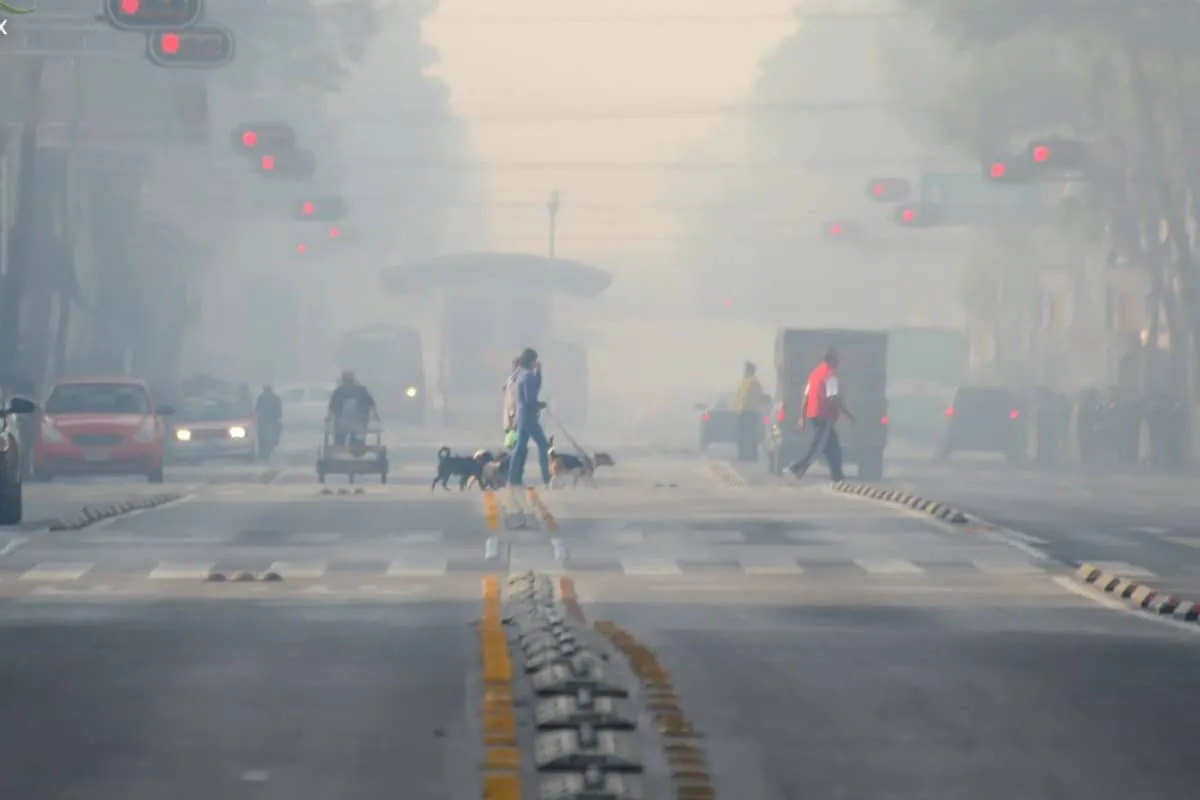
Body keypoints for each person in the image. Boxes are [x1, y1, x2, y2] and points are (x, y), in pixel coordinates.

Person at [786, 346, 855, 481]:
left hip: (814, 414)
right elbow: (833, 398)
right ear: (831, 359)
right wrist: (848, 414)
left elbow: (806, 397)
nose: (839, 361)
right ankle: (796, 469)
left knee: (833, 446)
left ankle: (837, 475)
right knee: (817, 447)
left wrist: (802, 417)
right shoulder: (830, 375)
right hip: (824, 416)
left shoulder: (814, 374)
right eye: (837, 358)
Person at [507, 348, 552, 488]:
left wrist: (538, 372)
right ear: (531, 361)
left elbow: (535, 387)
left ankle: (513, 478)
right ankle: (546, 477)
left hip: (524, 416)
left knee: (521, 447)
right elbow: (530, 398)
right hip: (529, 417)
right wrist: (539, 405)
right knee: (540, 445)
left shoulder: (522, 374)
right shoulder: (528, 376)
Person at [327, 370, 378, 446]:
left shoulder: (361, 391)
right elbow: (332, 406)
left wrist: (375, 414)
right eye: (346, 380)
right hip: (341, 422)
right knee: (339, 442)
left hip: (359, 422)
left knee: (357, 442)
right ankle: (339, 450)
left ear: (353, 381)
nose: (348, 383)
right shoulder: (338, 393)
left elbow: (371, 404)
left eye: (349, 380)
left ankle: (357, 448)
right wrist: (329, 416)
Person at [733, 360, 767, 461]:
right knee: (745, 435)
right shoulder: (746, 381)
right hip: (744, 412)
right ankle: (745, 455)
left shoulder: (752, 382)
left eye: (746, 368)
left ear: (750, 370)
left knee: (749, 435)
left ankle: (750, 456)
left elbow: (754, 397)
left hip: (749, 412)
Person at [255, 385, 283, 455]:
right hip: (273, 420)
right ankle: (270, 448)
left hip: (264, 420)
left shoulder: (261, 398)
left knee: (263, 436)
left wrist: (258, 418)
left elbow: (257, 409)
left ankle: (264, 451)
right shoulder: (276, 398)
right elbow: (279, 411)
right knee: (274, 435)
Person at [502, 357, 520, 451]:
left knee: (514, 433)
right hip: (511, 410)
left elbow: (513, 396)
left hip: (513, 410)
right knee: (512, 433)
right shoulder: (513, 379)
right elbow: (511, 396)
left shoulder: (514, 379)